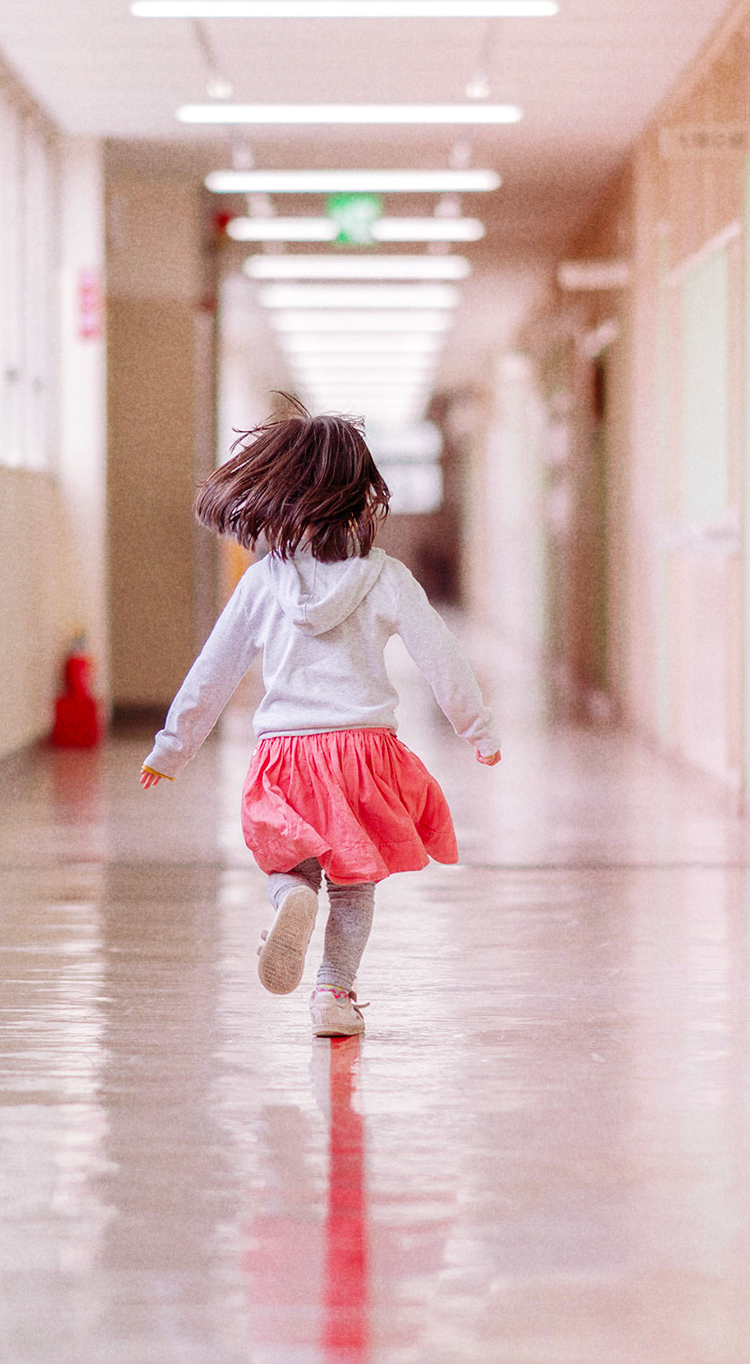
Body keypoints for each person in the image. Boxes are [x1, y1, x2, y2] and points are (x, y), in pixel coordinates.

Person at [138, 395, 501, 1039]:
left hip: (287, 754)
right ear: (363, 497)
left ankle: (291, 898)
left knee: (286, 859)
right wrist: (477, 729)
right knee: (356, 882)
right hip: (364, 752)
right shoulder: (386, 578)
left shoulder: (262, 582)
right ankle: (334, 992)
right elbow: (441, 656)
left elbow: (214, 672)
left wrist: (172, 747)